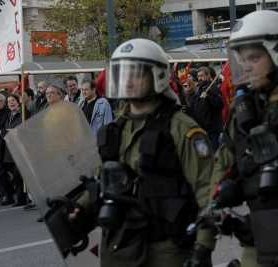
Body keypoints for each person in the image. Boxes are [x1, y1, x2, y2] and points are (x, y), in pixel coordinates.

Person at [70, 39, 215, 267]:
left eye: (136, 73)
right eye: (123, 73)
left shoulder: (181, 128)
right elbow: (104, 181)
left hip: (166, 249)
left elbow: (207, 190)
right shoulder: (115, 130)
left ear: (156, 76)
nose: (127, 80)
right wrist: (78, 208)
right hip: (121, 247)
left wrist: (203, 246)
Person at [213, 10, 278, 267]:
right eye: (242, 58)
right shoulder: (245, 112)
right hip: (260, 242)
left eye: (254, 57)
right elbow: (220, 168)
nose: (246, 65)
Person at [191, 66, 223, 151]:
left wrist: (208, 97)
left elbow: (220, 104)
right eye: (198, 76)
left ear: (208, 76)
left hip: (212, 129)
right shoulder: (198, 90)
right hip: (201, 128)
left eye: (202, 76)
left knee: (213, 152)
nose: (200, 78)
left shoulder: (213, 88)